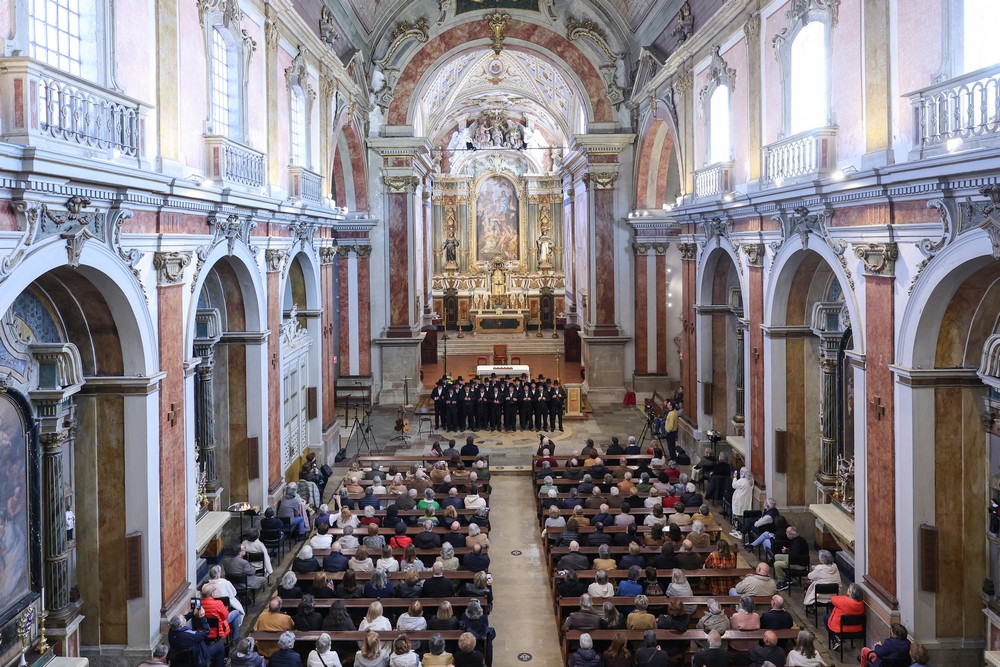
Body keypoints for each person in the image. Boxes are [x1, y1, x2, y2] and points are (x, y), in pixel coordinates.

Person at [729, 469, 754, 539]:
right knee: (744, 514)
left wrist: (734, 477)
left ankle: (738, 530)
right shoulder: (751, 480)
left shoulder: (742, 481)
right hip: (747, 500)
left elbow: (734, 485)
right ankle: (740, 529)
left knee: (738, 515)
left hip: (739, 500)